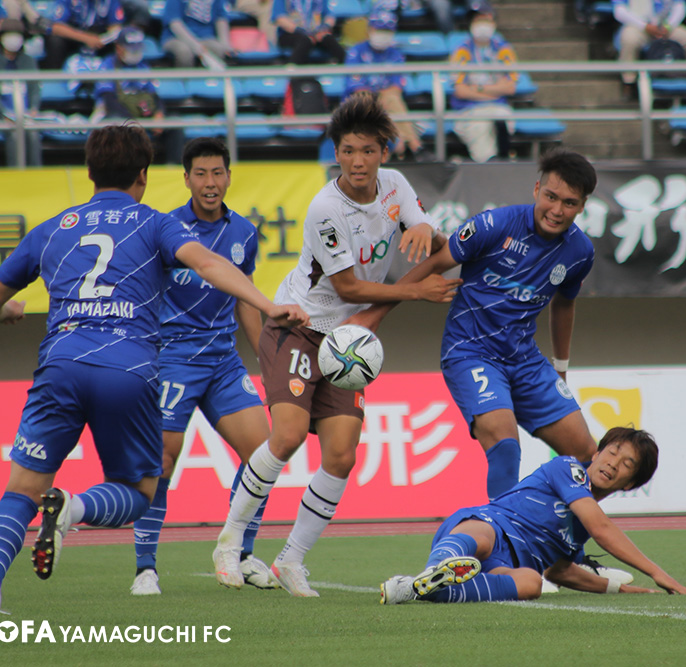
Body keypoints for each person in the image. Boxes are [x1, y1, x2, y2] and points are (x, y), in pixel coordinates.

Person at [0, 123, 309, 624]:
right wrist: (269, 305)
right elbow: (207, 264)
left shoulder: (53, 228)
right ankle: (75, 509)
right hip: (128, 369)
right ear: (143, 175)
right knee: (138, 492)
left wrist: (7, 310)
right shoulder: (155, 224)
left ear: (89, 172)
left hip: (60, 366)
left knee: (21, 490)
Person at [212, 91, 462, 598]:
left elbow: (427, 234)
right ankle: (229, 541)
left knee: (342, 455)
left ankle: (291, 560)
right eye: (348, 150)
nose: (357, 161)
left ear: (384, 152)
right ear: (336, 154)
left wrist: (423, 228)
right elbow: (347, 288)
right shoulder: (325, 209)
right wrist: (416, 290)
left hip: (346, 343)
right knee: (287, 435)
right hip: (299, 325)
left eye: (368, 150)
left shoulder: (395, 185)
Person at [351, 150, 600, 503]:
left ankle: (557, 534)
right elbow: (434, 263)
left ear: (583, 206)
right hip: (470, 353)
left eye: (570, 203)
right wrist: (373, 316)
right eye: (551, 197)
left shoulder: (580, 251)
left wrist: (560, 368)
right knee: (505, 445)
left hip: (525, 360)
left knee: (589, 457)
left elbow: (564, 304)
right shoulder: (494, 225)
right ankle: (503, 535)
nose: (557, 210)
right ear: (536, 190)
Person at [129, 136, 279, 596]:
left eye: (217, 173)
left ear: (229, 177)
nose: (210, 182)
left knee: (265, 453)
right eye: (201, 174)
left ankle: (241, 553)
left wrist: (267, 362)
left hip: (223, 361)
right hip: (173, 359)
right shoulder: (166, 229)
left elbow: (245, 299)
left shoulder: (244, 233)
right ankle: (145, 568)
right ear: (186, 179)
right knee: (161, 461)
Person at [379, 426, 686, 604]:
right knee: (483, 537)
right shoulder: (569, 469)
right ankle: (435, 569)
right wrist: (657, 573)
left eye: (627, 464)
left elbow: (561, 572)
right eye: (612, 452)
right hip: (487, 526)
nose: (614, 463)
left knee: (531, 583)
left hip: (505, 565)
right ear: (597, 453)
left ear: (630, 484)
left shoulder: (581, 530)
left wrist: (622, 589)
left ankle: (425, 589)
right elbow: (602, 528)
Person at [344, 9, 433, 161]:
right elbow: (357, 88)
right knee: (376, 101)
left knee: (392, 99)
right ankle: (415, 146)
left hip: (388, 103)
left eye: (387, 31)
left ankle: (404, 146)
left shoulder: (396, 54)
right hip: (360, 104)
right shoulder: (356, 51)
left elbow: (397, 87)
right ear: (370, 30)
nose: (382, 35)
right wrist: (378, 99)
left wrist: (383, 98)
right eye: (379, 30)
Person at [92, 26, 185, 163]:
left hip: (144, 115)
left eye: (137, 49)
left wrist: (159, 114)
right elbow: (109, 101)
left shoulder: (143, 66)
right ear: (118, 48)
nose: (135, 53)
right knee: (114, 123)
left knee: (174, 122)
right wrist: (133, 123)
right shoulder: (107, 66)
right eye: (131, 49)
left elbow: (154, 95)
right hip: (119, 115)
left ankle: (173, 167)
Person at [448, 0, 518, 163]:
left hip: (498, 106)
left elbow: (510, 87)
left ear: (493, 21)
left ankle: (502, 158)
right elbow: (460, 91)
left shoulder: (504, 49)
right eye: (478, 20)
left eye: (485, 19)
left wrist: (478, 88)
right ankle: (489, 163)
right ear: (471, 23)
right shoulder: (461, 51)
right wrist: (495, 90)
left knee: (501, 118)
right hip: (469, 109)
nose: (482, 24)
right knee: (480, 124)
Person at [0, 18, 43, 166]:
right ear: (1, 38)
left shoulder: (29, 61)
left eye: (17, 35)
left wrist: (33, 109)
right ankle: (16, 173)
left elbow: (35, 89)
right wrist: (5, 113)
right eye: (9, 35)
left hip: (25, 115)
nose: (14, 39)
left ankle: (36, 174)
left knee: (33, 134)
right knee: (14, 134)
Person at [612, 0, 686, 90]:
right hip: (638, 26)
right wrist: (645, 26)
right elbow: (619, 11)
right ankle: (629, 82)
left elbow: (679, 6)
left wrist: (669, 26)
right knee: (629, 39)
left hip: (665, 26)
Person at [43, 0, 123, 70]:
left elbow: (116, 26)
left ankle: (113, 75)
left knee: (122, 41)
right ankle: (55, 79)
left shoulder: (110, 1)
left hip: (100, 40)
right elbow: (56, 27)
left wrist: (103, 39)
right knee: (55, 40)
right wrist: (86, 38)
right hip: (74, 39)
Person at [161, 0, 232, 69]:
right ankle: (185, 77)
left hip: (205, 37)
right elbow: (175, 24)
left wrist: (225, 43)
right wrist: (195, 45)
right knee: (184, 51)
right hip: (175, 38)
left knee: (217, 48)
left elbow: (221, 19)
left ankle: (209, 77)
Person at [271, 0, 344, 64]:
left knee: (328, 38)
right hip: (291, 34)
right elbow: (279, 18)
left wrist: (324, 28)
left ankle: (347, 67)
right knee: (306, 40)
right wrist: (302, 31)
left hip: (316, 33)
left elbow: (330, 16)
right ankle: (292, 71)